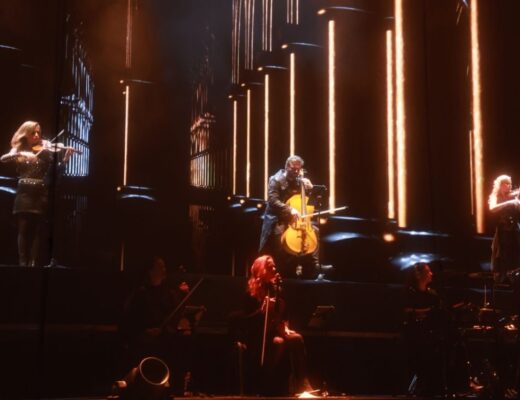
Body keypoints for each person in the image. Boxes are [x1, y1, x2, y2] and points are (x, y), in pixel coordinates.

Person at [230, 255, 314, 396]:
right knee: (278, 342)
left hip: (274, 331)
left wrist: (285, 327)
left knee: (297, 338)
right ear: (261, 270)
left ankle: (303, 383)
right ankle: (265, 383)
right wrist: (262, 311)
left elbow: (284, 315)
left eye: (274, 266)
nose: (274, 269)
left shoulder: (276, 290)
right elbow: (245, 320)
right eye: (270, 267)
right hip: (257, 335)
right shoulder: (250, 293)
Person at [0, 121, 74, 266]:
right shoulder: (18, 149)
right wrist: (22, 153)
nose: (36, 135)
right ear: (25, 134)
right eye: (33, 132)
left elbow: (55, 172)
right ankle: (22, 263)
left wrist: (65, 159)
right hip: (24, 193)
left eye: (38, 132)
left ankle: (33, 264)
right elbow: (3, 159)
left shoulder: (45, 150)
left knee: (37, 230)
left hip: (40, 193)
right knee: (23, 228)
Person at [120, 256, 193, 394]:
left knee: (182, 343)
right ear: (151, 271)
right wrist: (145, 330)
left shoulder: (168, 293)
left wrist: (183, 296)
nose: (164, 270)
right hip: (144, 338)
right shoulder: (140, 293)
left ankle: (173, 387)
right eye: (160, 267)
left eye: (164, 267)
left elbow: (175, 314)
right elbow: (130, 319)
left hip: (163, 337)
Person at [259, 155, 321, 279]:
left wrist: (310, 189)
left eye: (299, 169)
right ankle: (283, 269)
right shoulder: (275, 180)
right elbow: (273, 200)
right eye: (293, 169)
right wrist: (290, 209)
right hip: (277, 217)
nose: (296, 172)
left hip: (294, 218)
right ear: (287, 167)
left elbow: (308, 201)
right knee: (280, 235)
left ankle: (313, 266)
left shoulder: (299, 180)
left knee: (315, 230)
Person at [488, 175, 520, 281]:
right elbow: (492, 208)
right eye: (507, 183)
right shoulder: (495, 196)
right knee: (502, 254)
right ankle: (502, 278)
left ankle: (514, 277)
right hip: (502, 231)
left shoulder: (513, 196)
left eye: (510, 183)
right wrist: (509, 203)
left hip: (514, 230)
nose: (509, 185)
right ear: (500, 184)